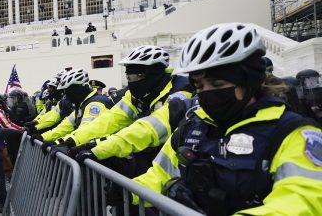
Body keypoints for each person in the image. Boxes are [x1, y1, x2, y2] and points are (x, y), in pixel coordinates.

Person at [132, 22, 322, 215]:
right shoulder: (192, 127)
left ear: (247, 81)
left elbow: (300, 202)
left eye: (217, 83)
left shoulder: (292, 134)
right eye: (199, 85)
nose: (206, 93)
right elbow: (159, 174)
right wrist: (130, 191)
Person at [32, 69, 114, 152]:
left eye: (68, 90)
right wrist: (43, 137)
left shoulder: (95, 104)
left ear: (78, 88)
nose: (66, 95)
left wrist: (61, 142)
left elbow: (85, 131)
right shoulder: (82, 104)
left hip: (107, 153)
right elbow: (64, 127)